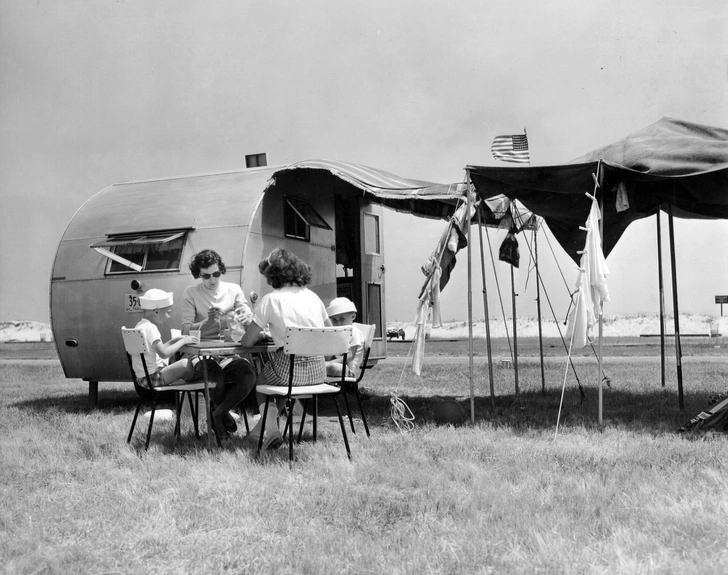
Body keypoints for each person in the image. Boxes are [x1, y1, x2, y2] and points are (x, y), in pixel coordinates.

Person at [239, 248, 330, 450]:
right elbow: (330, 332)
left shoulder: (271, 299)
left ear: (274, 275)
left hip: (289, 370)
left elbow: (246, 342)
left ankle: (271, 432)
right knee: (278, 385)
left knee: (262, 380)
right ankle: (258, 433)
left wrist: (262, 333)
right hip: (318, 372)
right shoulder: (313, 297)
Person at [181, 249, 257, 440]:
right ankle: (222, 417)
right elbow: (184, 330)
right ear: (198, 275)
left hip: (228, 352)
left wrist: (245, 317)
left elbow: (248, 318)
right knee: (216, 376)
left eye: (216, 274)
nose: (212, 280)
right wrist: (207, 322)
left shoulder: (234, 290)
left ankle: (217, 414)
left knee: (248, 375)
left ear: (221, 270)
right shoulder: (191, 292)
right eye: (206, 276)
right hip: (201, 353)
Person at [132, 288, 197, 389]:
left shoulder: (140, 326)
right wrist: (183, 341)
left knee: (181, 364)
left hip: (142, 379)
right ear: (157, 311)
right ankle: (199, 381)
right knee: (186, 364)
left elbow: (157, 349)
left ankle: (189, 380)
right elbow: (164, 354)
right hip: (153, 378)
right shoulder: (151, 328)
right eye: (168, 312)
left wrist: (174, 341)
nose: (169, 316)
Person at [324, 297, 364, 379]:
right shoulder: (339, 333)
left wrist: (329, 363)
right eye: (334, 320)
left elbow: (350, 356)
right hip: (339, 365)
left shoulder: (354, 332)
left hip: (349, 370)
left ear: (353, 317)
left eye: (342, 319)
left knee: (332, 367)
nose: (338, 323)